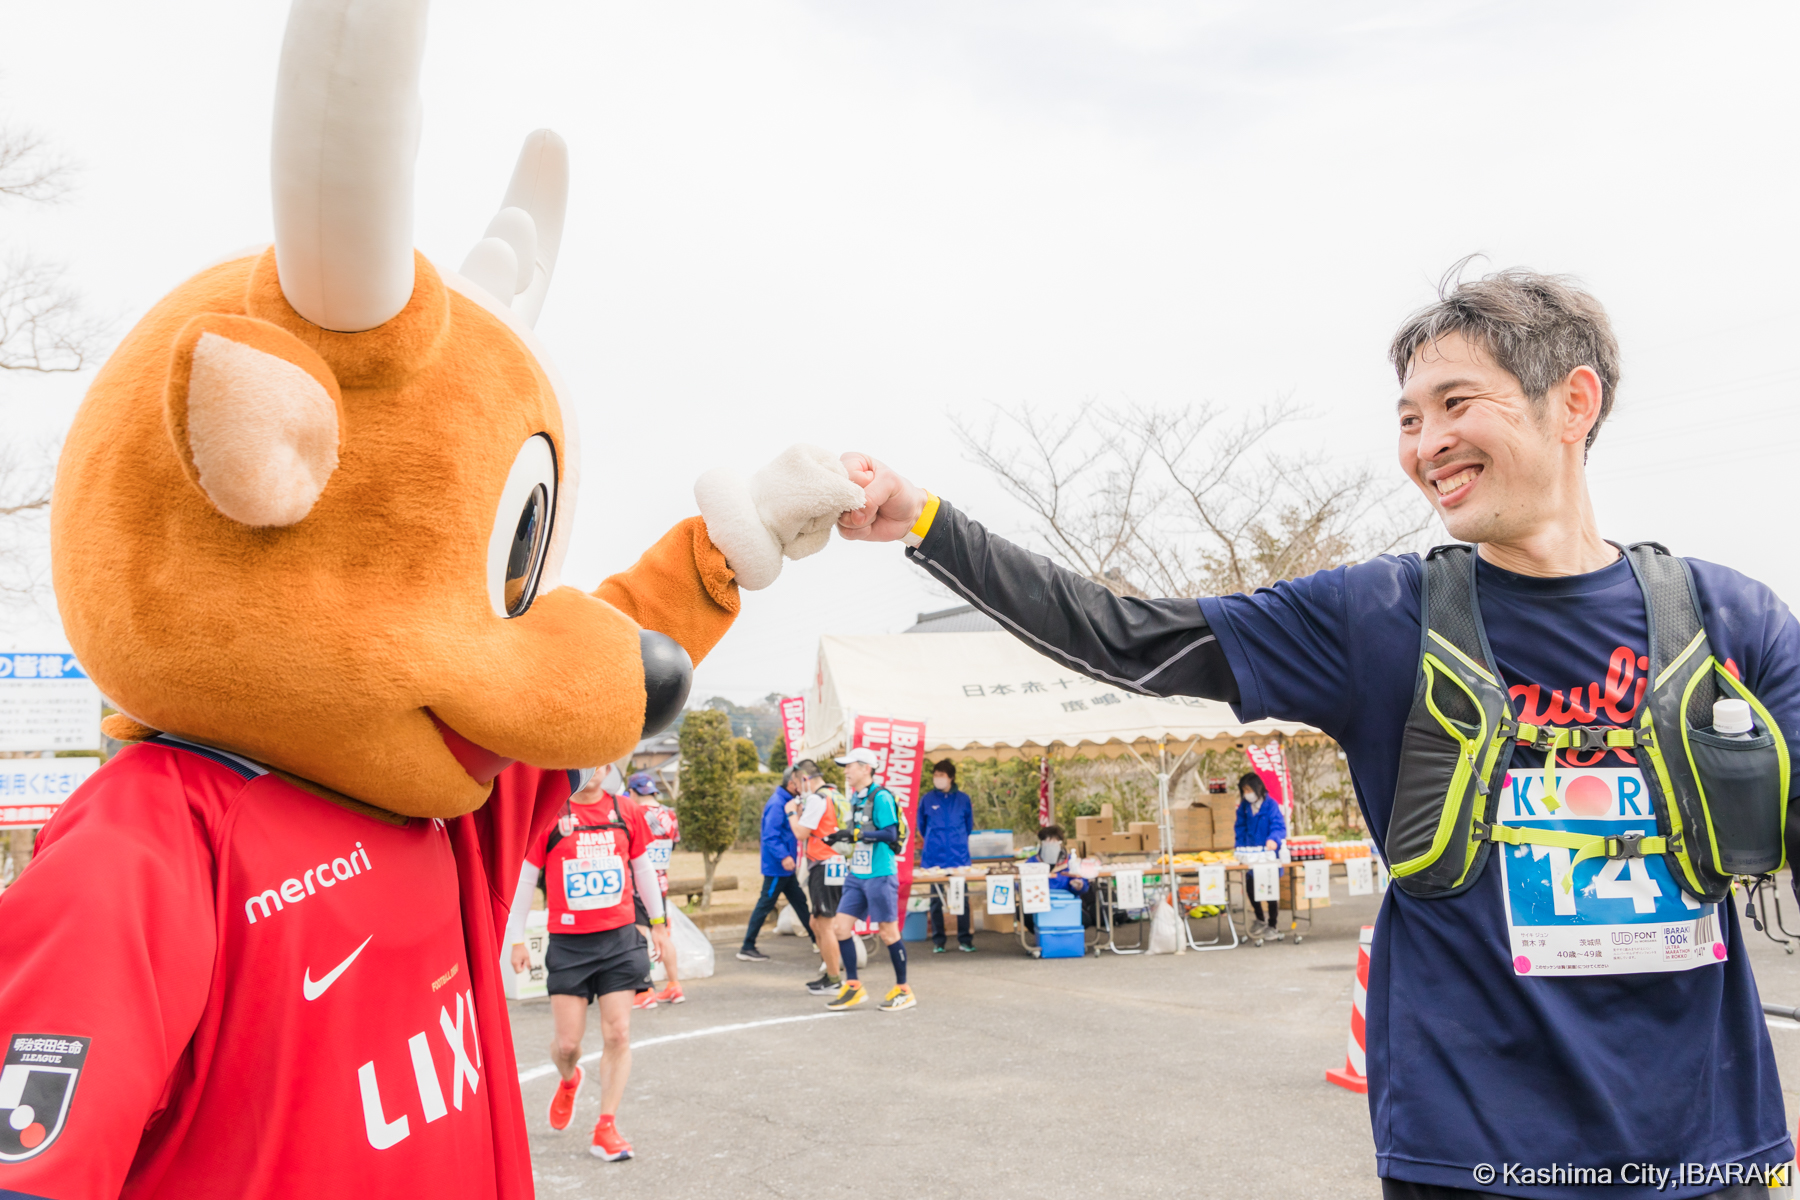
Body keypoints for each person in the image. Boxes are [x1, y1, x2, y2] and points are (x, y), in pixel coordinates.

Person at [838, 267, 1798, 1198]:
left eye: (1457, 404)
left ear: (1574, 401)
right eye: (1410, 420)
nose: (1428, 444)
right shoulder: (1381, 617)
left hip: (1705, 1148)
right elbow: (1127, 637)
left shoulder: (1729, 622)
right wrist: (927, 522)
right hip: (1475, 1150)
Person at [509, 774, 671, 1162]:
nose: (592, 769)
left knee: (618, 1034)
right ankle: (570, 1079)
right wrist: (516, 939)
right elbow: (525, 880)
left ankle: (606, 1126)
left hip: (619, 941)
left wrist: (660, 925)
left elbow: (644, 870)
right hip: (569, 945)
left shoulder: (625, 810)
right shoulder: (550, 816)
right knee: (567, 1045)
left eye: (599, 762)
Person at [823, 747, 915, 1012]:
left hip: (880, 874)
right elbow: (855, 831)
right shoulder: (856, 797)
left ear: (866, 768)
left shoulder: (882, 797)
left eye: (850, 766)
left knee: (888, 933)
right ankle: (853, 986)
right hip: (857, 874)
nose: (846, 771)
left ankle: (904, 990)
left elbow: (889, 833)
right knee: (840, 928)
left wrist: (859, 836)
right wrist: (841, 835)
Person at [788, 759, 851, 995]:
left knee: (825, 925)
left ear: (805, 779)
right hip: (836, 863)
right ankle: (830, 974)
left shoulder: (817, 798)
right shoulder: (836, 795)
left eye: (796, 782)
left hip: (823, 864)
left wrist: (791, 813)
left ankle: (835, 979)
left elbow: (800, 832)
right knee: (818, 922)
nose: (795, 788)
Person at [738, 769, 813, 963]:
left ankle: (817, 940)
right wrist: (784, 857)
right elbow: (770, 836)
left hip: (784, 866)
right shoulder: (778, 803)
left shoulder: (786, 802)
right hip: (778, 867)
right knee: (765, 904)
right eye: (799, 782)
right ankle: (747, 946)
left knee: (800, 903)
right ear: (791, 784)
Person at [628, 771, 686, 1006]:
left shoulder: (634, 813)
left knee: (639, 934)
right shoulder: (669, 814)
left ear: (633, 792)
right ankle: (674, 985)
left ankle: (644, 990)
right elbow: (674, 842)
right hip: (661, 883)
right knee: (661, 933)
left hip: (638, 884)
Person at [917, 758, 975, 952]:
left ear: (951, 777)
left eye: (941, 775)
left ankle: (965, 939)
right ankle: (938, 941)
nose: (938, 779)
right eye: (935, 775)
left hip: (958, 857)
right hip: (934, 857)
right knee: (936, 900)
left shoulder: (963, 799)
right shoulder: (927, 799)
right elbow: (921, 827)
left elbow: (968, 826)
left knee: (962, 898)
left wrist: (957, 841)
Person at [1233, 773, 1287, 936]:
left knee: (1269, 890)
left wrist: (1273, 839)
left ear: (1257, 788)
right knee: (1251, 888)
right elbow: (1240, 829)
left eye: (1248, 789)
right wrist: (1239, 849)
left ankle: (1273, 924)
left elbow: (1279, 826)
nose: (1247, 793)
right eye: (1244, 790)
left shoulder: (1271, 805)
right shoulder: (1243, 807)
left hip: (1268, 855)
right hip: (1251, 855)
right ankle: (1260, 919)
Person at [1024, 824, 1097, 930]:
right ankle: (1042, 936)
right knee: (1022, 912)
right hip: (1040, 906)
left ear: (1061, 843)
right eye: (1047, 842)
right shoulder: (1032, 862)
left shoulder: (1071, 861)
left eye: (1054, 842)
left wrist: (1078, 886)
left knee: (1085, 919)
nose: (1051, 846)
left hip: (1067, 906)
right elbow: (1020, 885)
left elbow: (1083, 884)